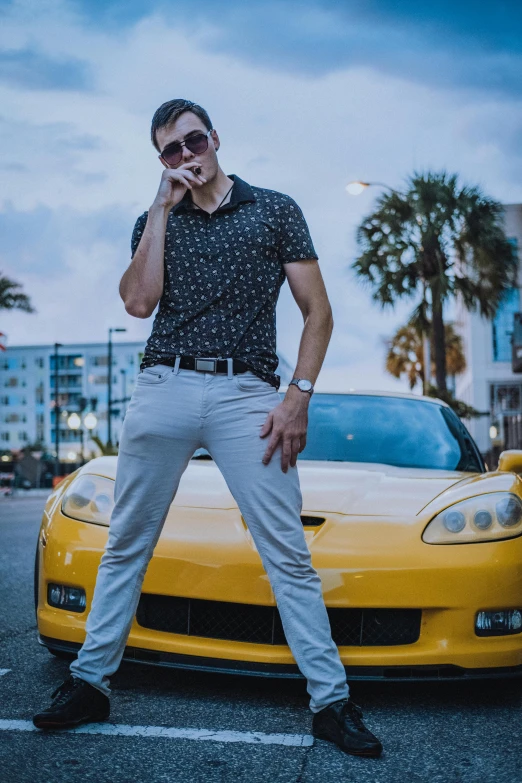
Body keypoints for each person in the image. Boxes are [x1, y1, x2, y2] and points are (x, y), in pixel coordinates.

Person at [33, 99, 382, 758]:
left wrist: (297, 396)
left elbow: (319, 312)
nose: (187, 153)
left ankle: (331, 700)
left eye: (194, 139)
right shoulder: (153, 218)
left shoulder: (275, 210)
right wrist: (161, 209)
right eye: (171, 148)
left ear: (216, 138)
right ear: (161, 159)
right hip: (163, 384)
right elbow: (138, 302)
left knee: (286, 549)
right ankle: (89, 682)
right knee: (126, 542)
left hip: (248, 394)